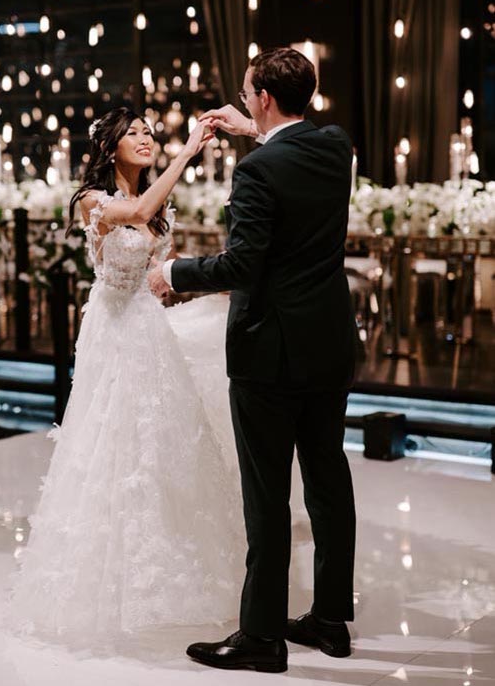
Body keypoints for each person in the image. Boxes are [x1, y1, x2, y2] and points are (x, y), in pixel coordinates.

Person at [149, 47, 358, 673]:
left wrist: (173, 272)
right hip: (330, 344)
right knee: (328, 483)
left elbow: (242, 266)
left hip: (271, 352)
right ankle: (329, 619)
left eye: (247, 94)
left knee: (266, 497)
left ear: (264, 97)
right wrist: (256, 131)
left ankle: (262, 635)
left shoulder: (258, 171)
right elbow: (298, 146)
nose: (242, 102)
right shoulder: (336, 148)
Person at [7, 107, 246, 645]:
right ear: (110, 146)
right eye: (132, 132)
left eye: (147, 131)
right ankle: (106, 575)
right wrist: (188, 150)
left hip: (152, 329)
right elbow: (136, 209)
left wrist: (218, 284)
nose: (145, 138)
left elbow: (164, 266)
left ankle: (173, 569)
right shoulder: (93, 200)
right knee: (112, 447)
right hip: (115, 335)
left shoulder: (158, 208)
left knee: (163, 447)